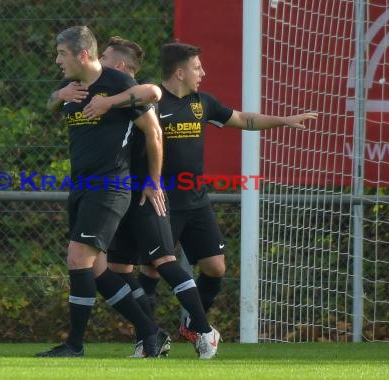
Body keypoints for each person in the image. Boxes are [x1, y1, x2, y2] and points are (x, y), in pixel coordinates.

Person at [84, 41, 317, 347]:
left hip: (196, 200)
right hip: (159, 200)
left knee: (216, 266)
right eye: (197, 68)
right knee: (150, 269)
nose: (202, 73)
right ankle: (151, 337)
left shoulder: (201, 102)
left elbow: (243, 118)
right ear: (179, 72)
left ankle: (192, 325)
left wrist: (282, 121)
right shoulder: (150, 100)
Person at [35, 26, 170, 358]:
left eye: (62, 54)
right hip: (82, 185)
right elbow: (50, 104)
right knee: (95, 269)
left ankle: (75, 345)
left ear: (83, 55)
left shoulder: (117, 83)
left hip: (110, 184)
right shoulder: (71, 86)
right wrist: (59, 97)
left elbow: (153, 120)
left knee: (78, 258)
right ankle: (151, 331)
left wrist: (153, 179)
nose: (57, 60)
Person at [85, 36, 221, 360]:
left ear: (118, 64)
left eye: (102, 56)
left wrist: (153, 180)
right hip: (119, 194)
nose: (97, 60)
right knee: (117, 267)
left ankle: (203, 331)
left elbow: (152, 93)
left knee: (163, 261)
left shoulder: (135, 93)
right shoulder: (108, 95)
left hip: (147, 193)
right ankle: (151, 335)